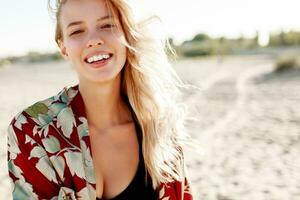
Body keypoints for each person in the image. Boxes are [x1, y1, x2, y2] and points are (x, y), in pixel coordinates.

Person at [7, 0, 194, 199]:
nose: (94, 39)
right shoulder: (33, 130)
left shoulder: (159, 128)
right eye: (77, 31)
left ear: (127, 34)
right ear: (63, 48)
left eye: (107, 25)